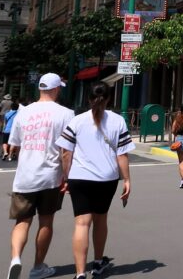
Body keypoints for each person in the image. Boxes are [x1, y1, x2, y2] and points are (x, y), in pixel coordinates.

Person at [56, 83, 133, 279]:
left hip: (79, 177)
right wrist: (127, 180)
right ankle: (98, 263)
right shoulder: (118, 121)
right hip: (107, 178)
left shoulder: (77, 121)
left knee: (82, 223)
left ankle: (80, 273)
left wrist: (66, 177)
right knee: (100, 220)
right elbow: (122, 155)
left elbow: (66, 154)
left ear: (88, 99)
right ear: (108, 99)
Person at [7, 73, 76, 279]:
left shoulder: (24, 112)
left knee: (22, 221)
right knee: (46, 221)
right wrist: (67, 176)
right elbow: (66, 151)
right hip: (51, 176)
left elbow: (14, 146)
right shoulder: (66, 114)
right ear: (56, 89)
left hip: (25, 176)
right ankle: (38, 267)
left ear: (40, 88)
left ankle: (15, 258)